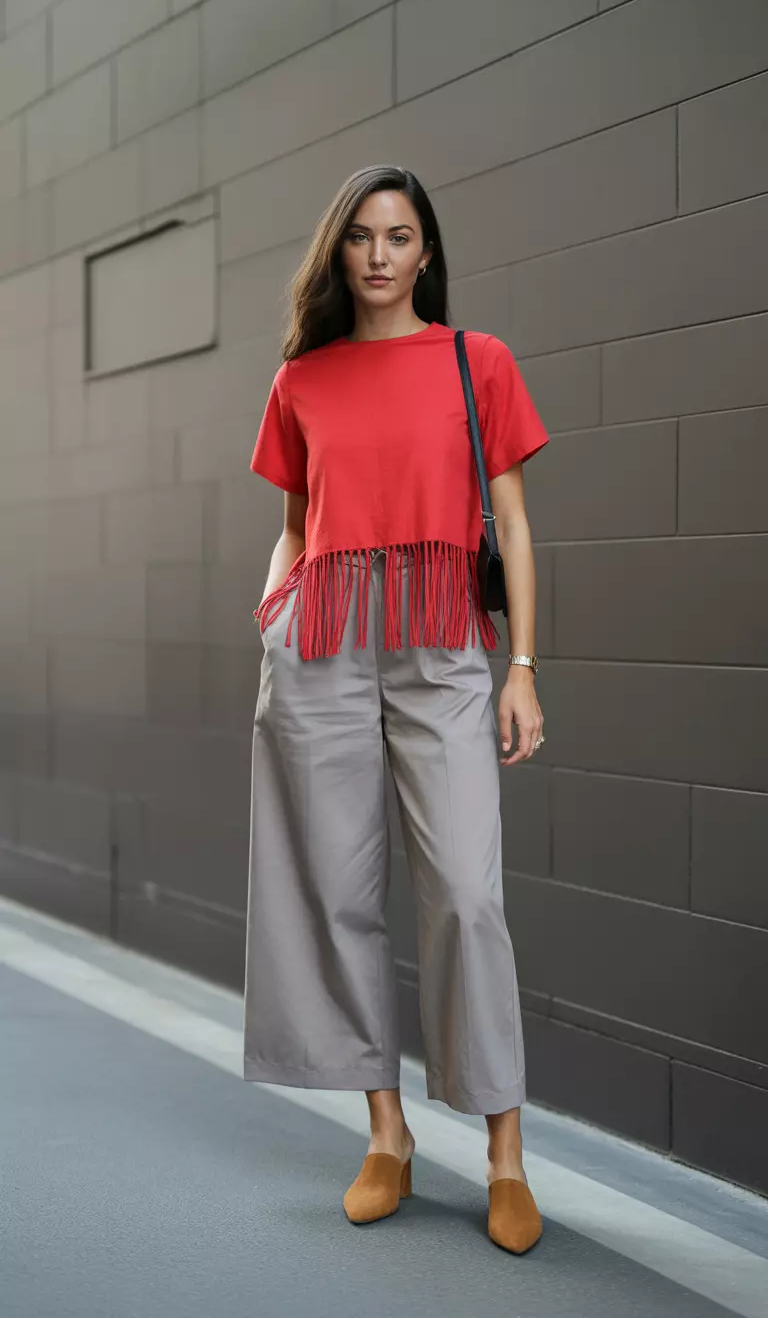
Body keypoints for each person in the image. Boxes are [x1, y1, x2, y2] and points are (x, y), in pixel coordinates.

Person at [244, 164, 549, 1254]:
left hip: (443, 647)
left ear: (427, 252)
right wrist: (276, 595)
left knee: (467, 893)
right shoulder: (303, 379)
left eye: (401, 235)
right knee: (338, 890)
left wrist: (522, 666)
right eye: (362, 237)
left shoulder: (479, 363)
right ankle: (388, 1135)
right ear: (340, 252)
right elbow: (296, 516)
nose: (379, 255)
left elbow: (511, 526)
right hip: (322, 642)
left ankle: (506, 1156)